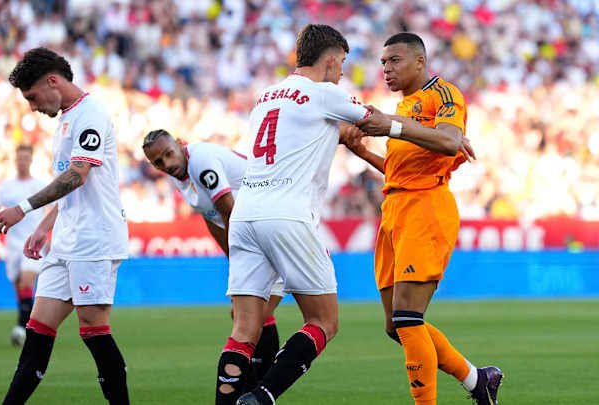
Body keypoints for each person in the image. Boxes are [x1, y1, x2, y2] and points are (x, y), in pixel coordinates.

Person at [344, 32, 504, 405]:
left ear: (420, 61)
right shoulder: (404, 107)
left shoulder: (443, 95)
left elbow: (449, 141)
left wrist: (391, 126)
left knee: (407, 318)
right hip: (395, 208)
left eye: (394, 60)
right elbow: (402, 170)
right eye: (383, 62)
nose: (386, 68)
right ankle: (477, 380)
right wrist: (363, 152)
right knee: (395, 326)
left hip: (425, 208)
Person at [215, 24, 371, 405]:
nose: (342, 72)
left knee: (244, 331)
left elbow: (299, 138)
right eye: (342, 63)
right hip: (287, 214)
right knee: (323, 321)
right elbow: (373, 119)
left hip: (245, 214)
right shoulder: (323, 92)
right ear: (330, 60)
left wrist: (338, 134)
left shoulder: (266, 97)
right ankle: (262, 396)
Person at [0, 47, 130, 405]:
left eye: (32, 97)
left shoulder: (91, 113)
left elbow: (78, 175)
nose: (32, 107)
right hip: (67, 239)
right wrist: (45, 226)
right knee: (38, 329)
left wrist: (23, 209)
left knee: (93, 328)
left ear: (52, 81)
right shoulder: (67, 119)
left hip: (95, 238)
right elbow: (71, 188)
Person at [142, 129, 284, 381]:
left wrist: (240, 263)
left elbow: (229, 211)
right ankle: (259, 385)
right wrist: (232, 259)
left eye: (169, 154)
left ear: (180, 143)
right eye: (159, 162)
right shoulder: (179, 174)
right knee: (250, 316)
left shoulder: (202, 161)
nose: (167, 164)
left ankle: (261, 385)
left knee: (248, 317)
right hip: (256, 234)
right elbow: (211, 218)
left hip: (274, 225)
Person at [0, 144, 46, 346]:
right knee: (20, 289)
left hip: (32, 243)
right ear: (15, 160)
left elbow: (48, 211)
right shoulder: (6, 187)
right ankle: (30, 327)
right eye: (19, 158)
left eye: (25, 158)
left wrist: (47, 235)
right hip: (12, 245)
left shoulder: (39, 185)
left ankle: (21, 328)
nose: (22, 162)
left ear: (31, 160)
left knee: (27, 283)